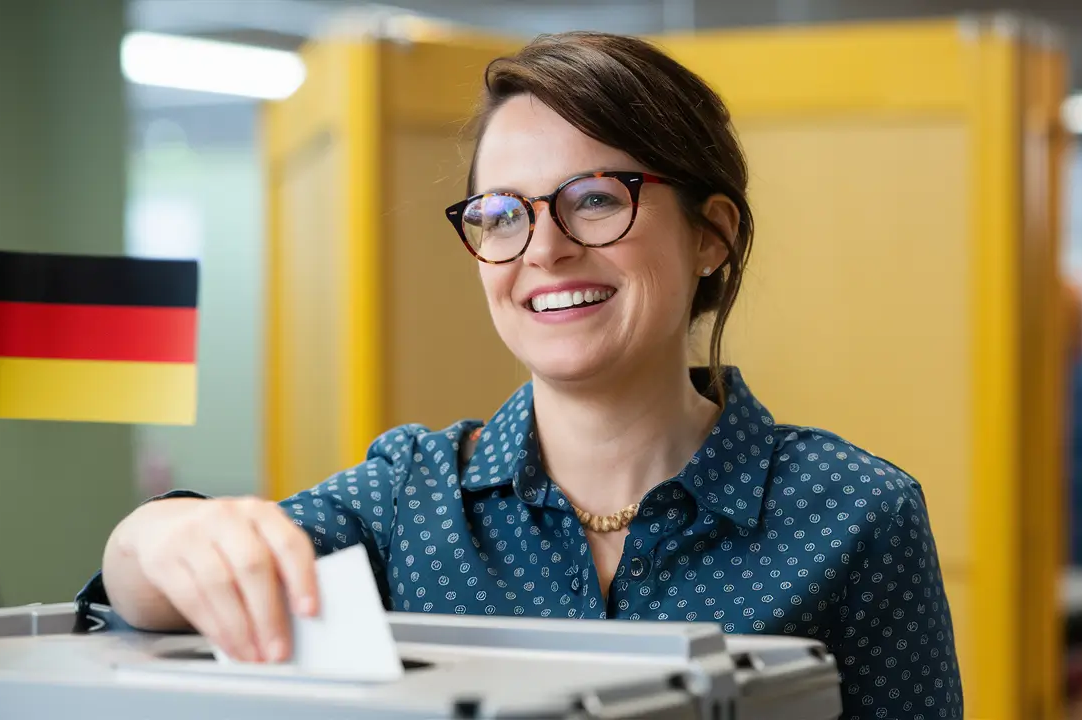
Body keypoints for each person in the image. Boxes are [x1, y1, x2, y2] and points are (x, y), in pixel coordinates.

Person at [83, 31, 962, 719]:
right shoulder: (409, 498)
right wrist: (156, 538)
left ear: (712, 234)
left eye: (595, 199)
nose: (543, 249)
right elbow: (158, 593)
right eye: (500, 215)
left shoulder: (858, 515)